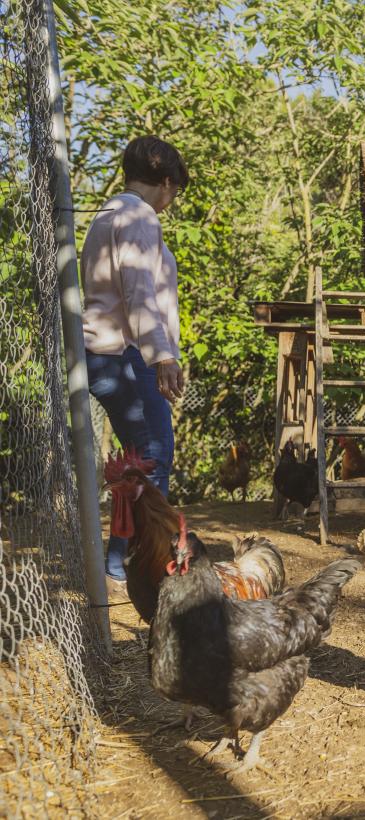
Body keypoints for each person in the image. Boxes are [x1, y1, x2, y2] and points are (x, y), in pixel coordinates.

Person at [81, 136, 188, 590]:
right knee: (155, 453)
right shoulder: (138, 216)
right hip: (123, 354)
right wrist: (162, 355)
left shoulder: (108, 212)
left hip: (109, 353)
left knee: (141, 461)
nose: (171, 202)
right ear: (166, 182)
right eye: (175, 192)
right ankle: (135, 560)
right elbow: (140, 290)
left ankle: (124, 556)